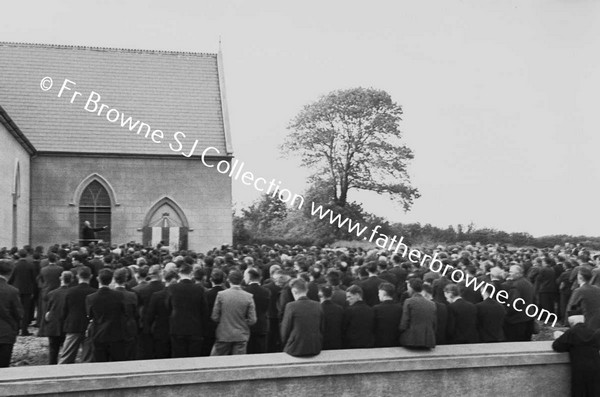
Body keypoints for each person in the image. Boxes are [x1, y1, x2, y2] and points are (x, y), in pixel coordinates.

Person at [167, 263, 208, 358]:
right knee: (194, 357)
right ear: (191, 273)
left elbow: (168, 306)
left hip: (177, 327)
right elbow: (204, 310)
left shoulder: (172, 288)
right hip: (195, 327)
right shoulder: (199, 289)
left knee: (178, 356)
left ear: (179, 273)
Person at [86, 268, 128, 362]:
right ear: (111, 280)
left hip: (98, 333)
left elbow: (90, 315)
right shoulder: (119, 295)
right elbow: (123, 312)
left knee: (100, 362)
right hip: (116, 333)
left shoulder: (91, 298)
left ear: (98, 279)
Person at [210, 270, 257, 355]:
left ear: (228, 280)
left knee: (216, 362)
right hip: (241, 334)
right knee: (238, 363)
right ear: (242, 280)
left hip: (223, 333)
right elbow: (252, 320)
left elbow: (215, 316)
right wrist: (244, 322)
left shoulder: (221, 295)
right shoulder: (249, 296)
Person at [552, 315, 600, 397]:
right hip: (596, 367)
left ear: (572, 323)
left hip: (579, 369)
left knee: (579, 391)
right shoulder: (594, 331)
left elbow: (557, 346)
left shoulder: (571, 332)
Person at [59, 266, 96, 364]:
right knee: (87, 359)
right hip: (89, 326)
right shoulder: (94, 292)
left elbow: (64, 310)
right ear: (91, 276)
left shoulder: (70, 291)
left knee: (66, 356)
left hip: (73, 325)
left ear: (77, 276)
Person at [280, 278, 323, 357]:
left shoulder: (290, 306)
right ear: (306, 291)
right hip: (315, 347)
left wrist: (284, 343)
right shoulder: (318, 305)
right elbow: (321, 328)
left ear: (294, 291)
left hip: (295, 348)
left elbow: (285, 330)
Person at [144, 270, 178, 359]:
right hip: (176, 330)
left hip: (160, 330)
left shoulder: (157, 295)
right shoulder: (178, 295)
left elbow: (150, 315)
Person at [43, 271, 72, 364]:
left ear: (60, 278)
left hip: (53, 324)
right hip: (66, 324)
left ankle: (52, 367)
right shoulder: (72, 293)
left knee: (53, 350)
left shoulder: (52, 293)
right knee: (66, 351)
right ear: (71, 280)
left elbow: (48, 310)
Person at [399, 278, 437, 349]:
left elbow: (404, 323)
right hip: (428, 340)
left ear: (411, 288)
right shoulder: (432, 304)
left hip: (412, 340)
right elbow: (434, 324)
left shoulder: (408, 301)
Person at [0, 259, 23, 368]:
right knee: (4, 367)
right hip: (6, 332)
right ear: (11, 272)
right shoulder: (12, 291)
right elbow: (19, 313)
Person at [503, 264, 535, 341]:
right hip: (528, 317)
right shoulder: (527, 282)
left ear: (518, 273)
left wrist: (505, 313)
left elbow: (513, 304)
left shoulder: (516, 285)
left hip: (517, 320)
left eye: (511, 272)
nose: (509, 274)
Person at [243, 268, 271, 354]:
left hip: (247, 325)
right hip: (262, 324)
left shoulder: (245, 291)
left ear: (249, 277)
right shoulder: (266, 291)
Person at [114, 268, 139, 360]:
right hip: (129, 327)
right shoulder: (132, 295)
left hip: (114, 327)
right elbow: (136, 312)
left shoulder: (112, 294)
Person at [9, 249, 36, 336]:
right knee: (25, 310)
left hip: (16, 290)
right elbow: (34, 279)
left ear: (19, 255)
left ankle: (16, 329)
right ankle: (24, 330)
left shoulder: (15, 265)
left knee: (16, 309)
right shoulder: (30, 265)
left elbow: (11, 278)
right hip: (27, 290)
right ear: (27, 255)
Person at [373, 282, 402, 347]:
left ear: (383, 293)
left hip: (380, 341)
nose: (378, 295)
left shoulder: (376, 308)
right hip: (396, 341)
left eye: (379, 293)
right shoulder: (400, 308)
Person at [319, 284, 344, 350]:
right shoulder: (339, 309)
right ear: (332, 294)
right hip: (336, 341)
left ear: (320, 294)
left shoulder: (317, 309)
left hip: (322, 343)